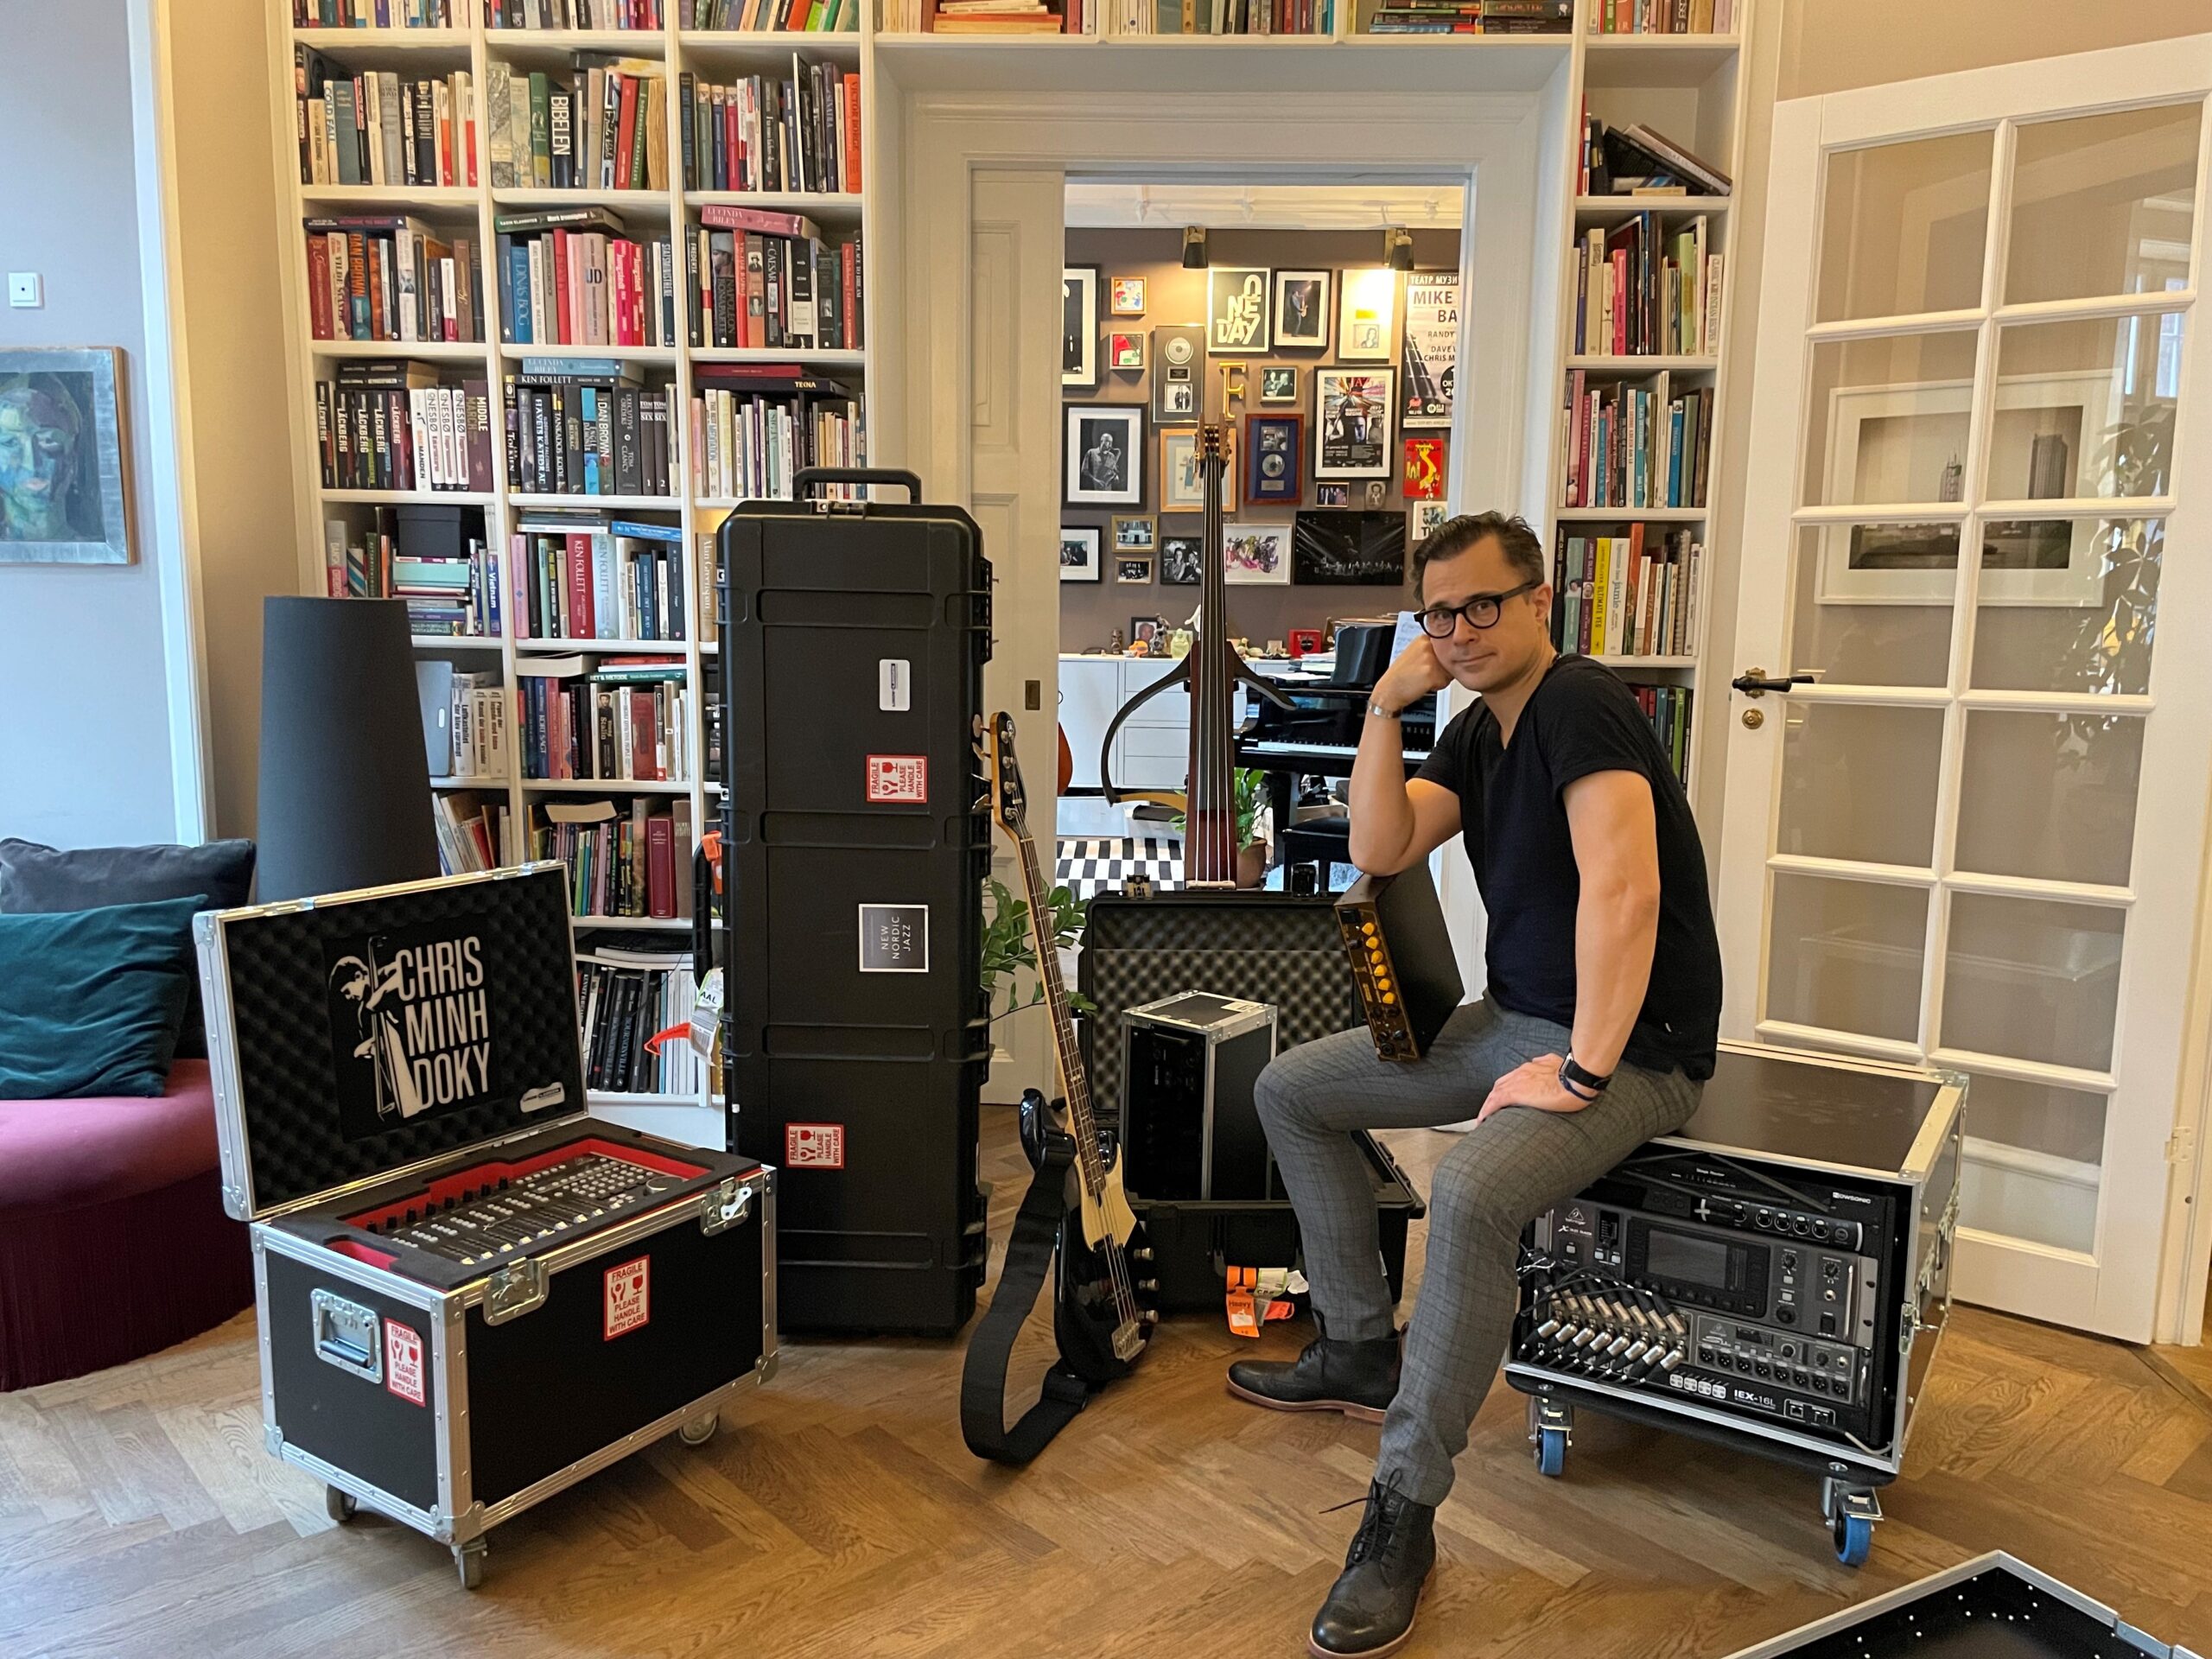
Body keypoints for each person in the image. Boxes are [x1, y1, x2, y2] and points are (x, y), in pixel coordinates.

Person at [1226, 512, 1722, 1658]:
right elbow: (1382, 846)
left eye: (1483, 605)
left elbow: (1626, 892)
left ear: (1540, 600)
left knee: (1471, 1193)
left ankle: (1402, 1511)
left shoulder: (1581, 705)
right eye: (1439, 614)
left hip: (1633, 1050)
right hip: (1511, 1025)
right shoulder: (1479, 730)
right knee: (1292, 1091)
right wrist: (1383, 709)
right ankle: (1359, 1347)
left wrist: (1585, 1070)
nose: (1460, 631)